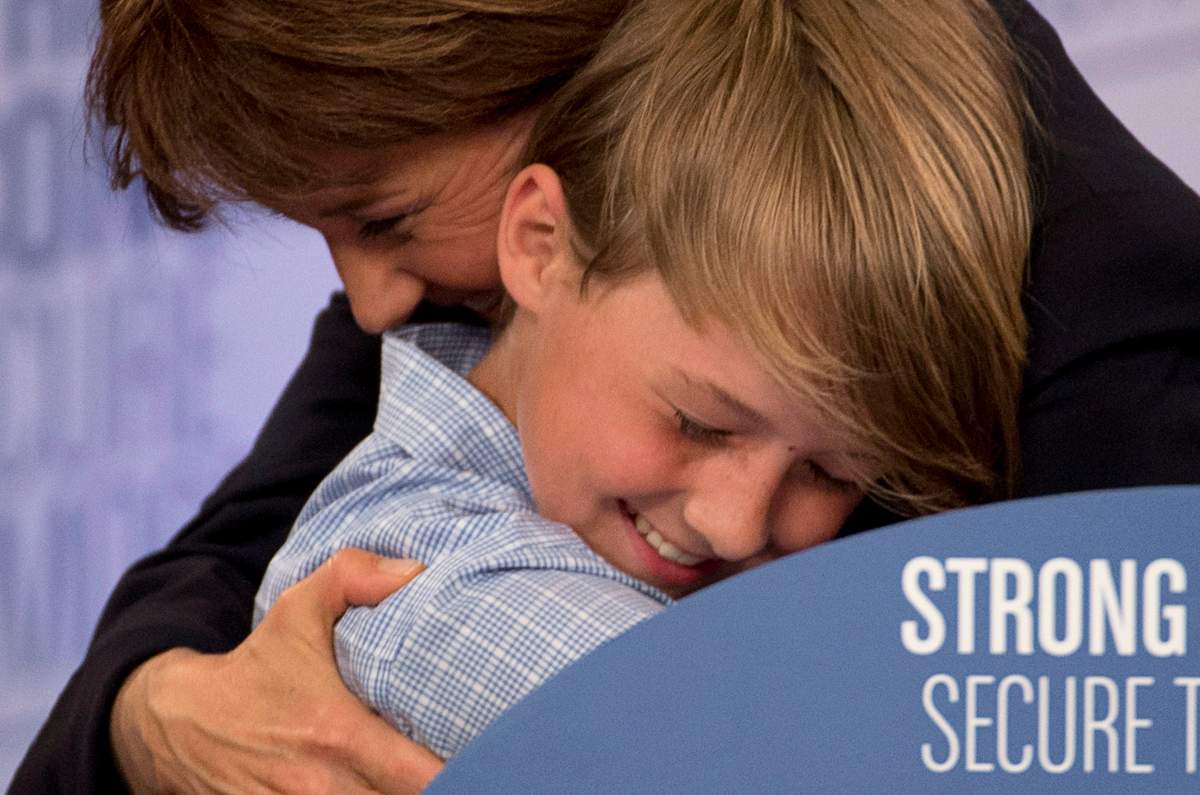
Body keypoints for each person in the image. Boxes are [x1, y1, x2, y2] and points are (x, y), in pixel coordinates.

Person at [12, 0, 1200, 792]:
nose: (371, 304)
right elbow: (214, 567)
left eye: (385, 217)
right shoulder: (520, 265)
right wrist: (161, 714)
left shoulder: (1099, 316)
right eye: (700, 420)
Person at [254, 0, 1031, 760]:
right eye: (700, 421)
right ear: (540, 244)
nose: (738, 525)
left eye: (830, 473)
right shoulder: (424, 589)